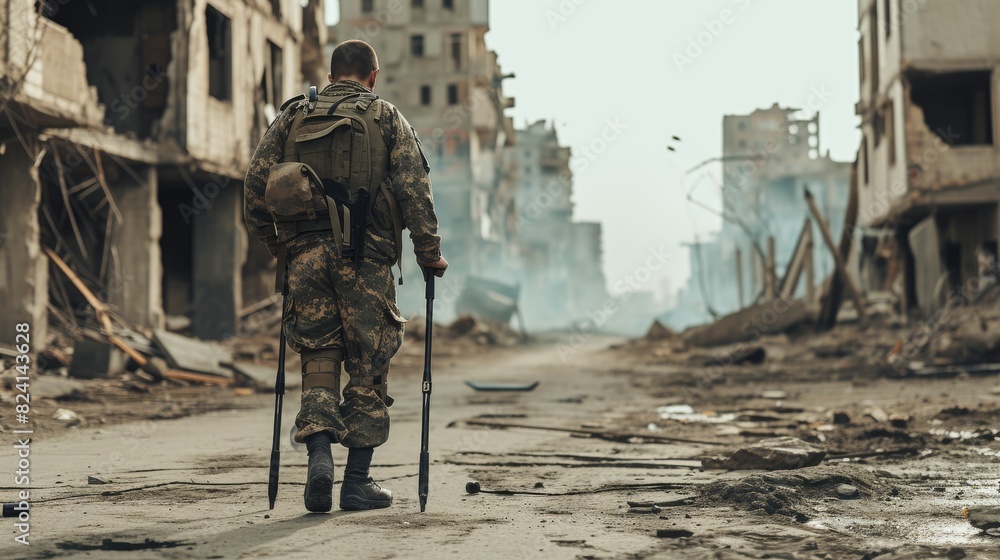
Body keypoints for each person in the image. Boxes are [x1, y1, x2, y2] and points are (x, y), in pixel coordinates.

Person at [244, 39, 447, 513]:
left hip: (304, 259)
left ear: (332, 72)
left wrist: (283, 250)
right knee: (367, 366)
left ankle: (318, 456)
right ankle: (356, 483)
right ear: (372, 76)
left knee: (318, 357)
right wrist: (428, 254)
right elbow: (415, 189)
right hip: (366, 259)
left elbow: (254, 190)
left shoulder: (293, 115)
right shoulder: (386, 116)